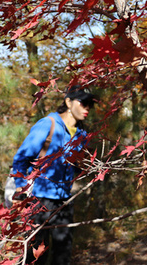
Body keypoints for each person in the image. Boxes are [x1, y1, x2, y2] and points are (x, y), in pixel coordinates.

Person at [11, 85, 97, 265]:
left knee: (63, 256)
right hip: (38, 201)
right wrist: (20, 189)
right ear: (68, 101)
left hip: (64, 202)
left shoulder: (82, 134)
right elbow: (20, 159)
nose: (87, 108)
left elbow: (77, 168)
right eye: (82, 103)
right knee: (35, 258)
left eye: (89, 104)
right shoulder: (48, 124)